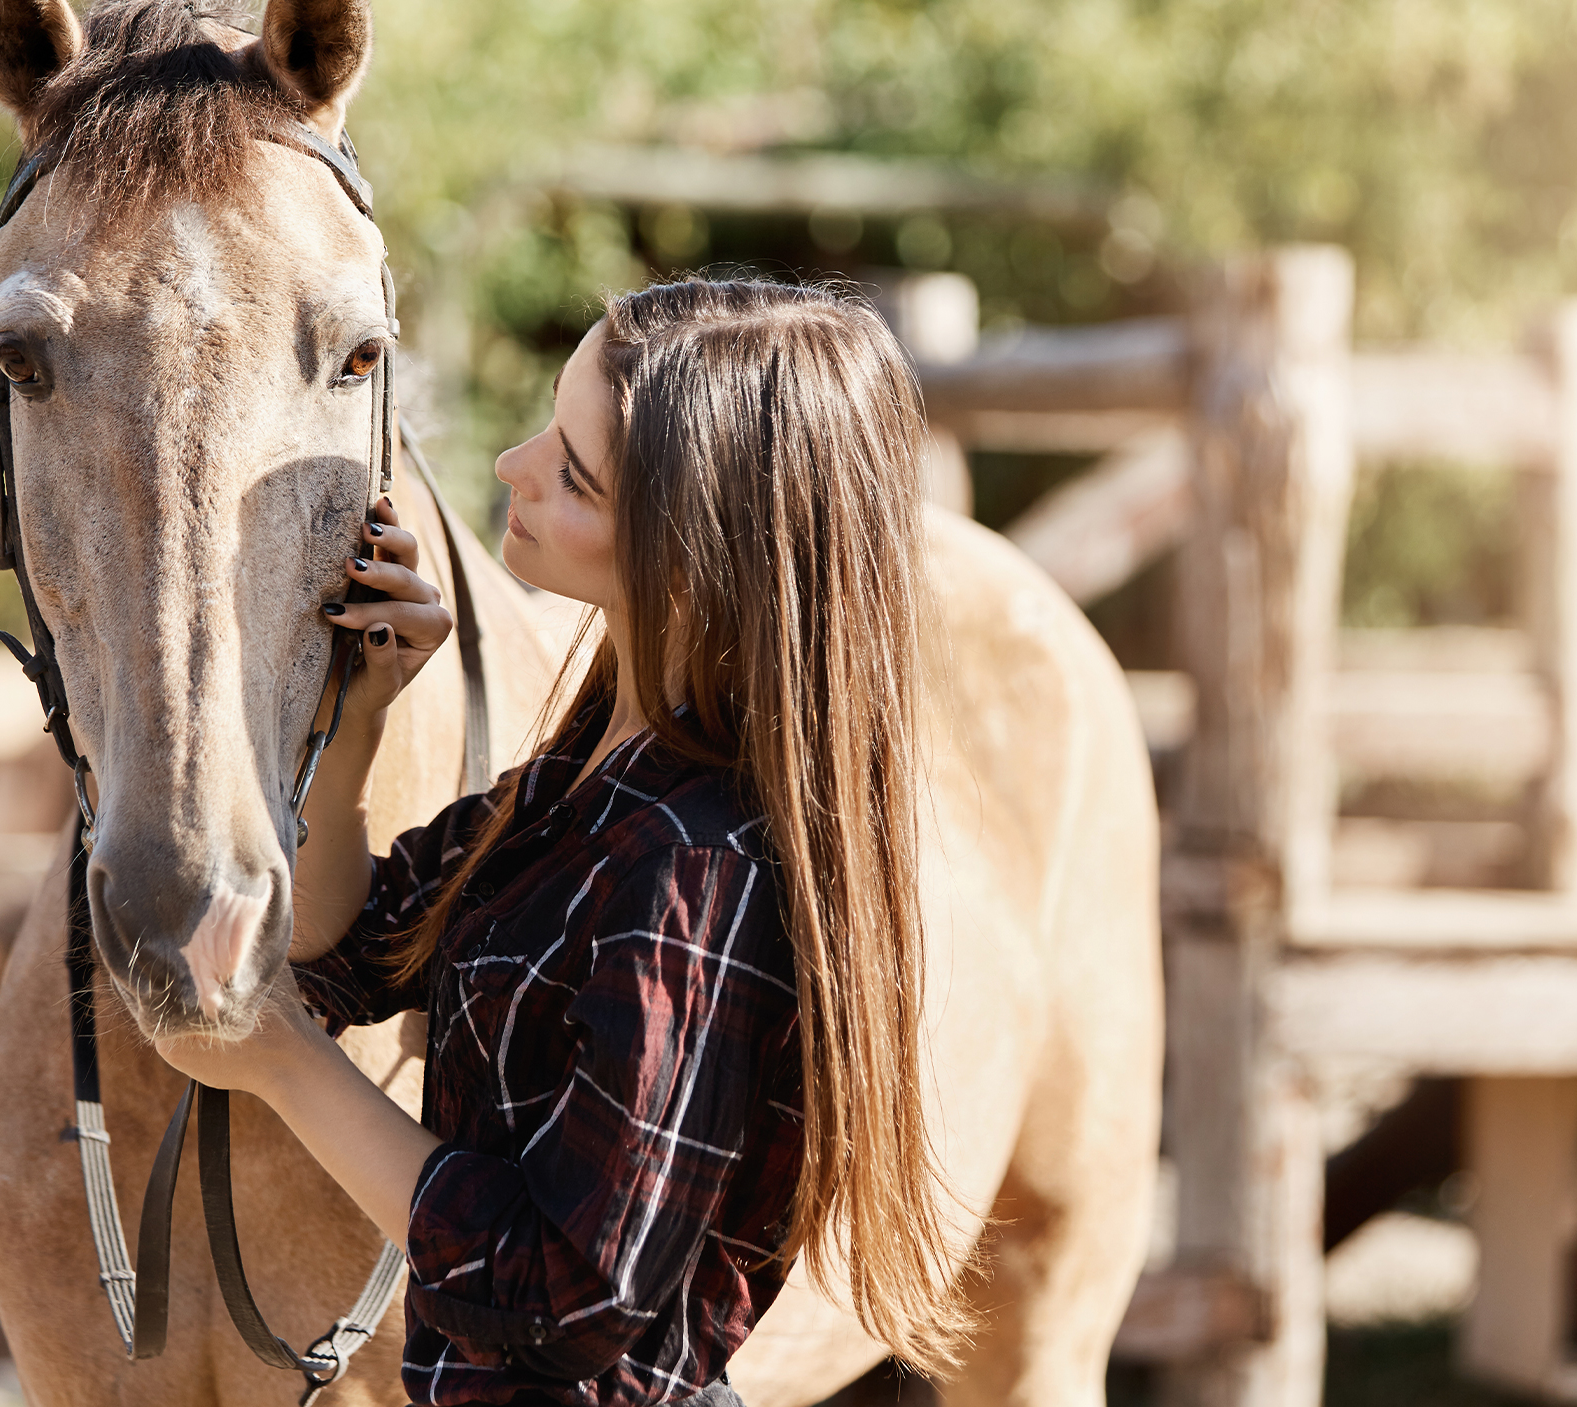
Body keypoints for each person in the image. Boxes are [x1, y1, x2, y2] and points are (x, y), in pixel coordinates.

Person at [154, 278, 968, 1405]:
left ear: (694, 549)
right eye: (549, 422)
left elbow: (566, 1292)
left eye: (573, 474)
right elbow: (354, 953)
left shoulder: (696, 868)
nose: (510, 467)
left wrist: (286, 1066)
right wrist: (365, 715)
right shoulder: (595, 776)